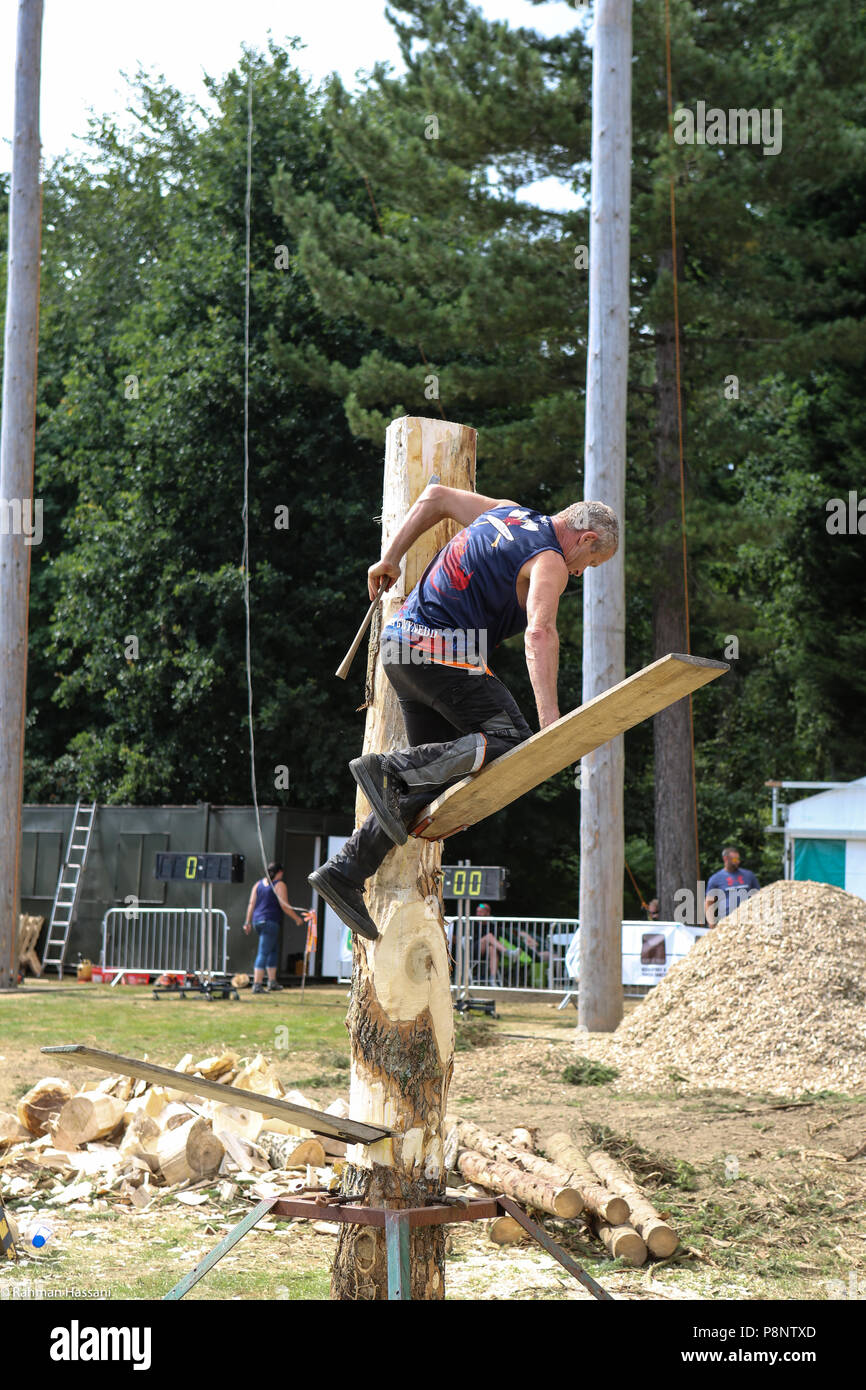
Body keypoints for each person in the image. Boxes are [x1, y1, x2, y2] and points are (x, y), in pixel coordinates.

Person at [309, 489, 619, 940]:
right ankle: (388, 768)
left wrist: (390, 559)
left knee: (427, 781)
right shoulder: (551, 560)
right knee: (512, 738)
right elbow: (540, 632)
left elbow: (434, 497)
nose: (580, 572)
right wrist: (551, 718)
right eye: (589, 563)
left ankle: (345, 871)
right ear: (585, 538)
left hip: (400, 648)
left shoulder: (508, 513)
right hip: (444, 655)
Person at [243, 862, 305, 993]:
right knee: (264, 952)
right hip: (270, 922)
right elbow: (284, 906)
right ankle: (257, 984)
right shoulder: (279, 884)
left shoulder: (257, 884)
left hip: (257, 922)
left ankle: (272, 982)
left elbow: (251, 904)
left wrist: (247, 922)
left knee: (273, 951)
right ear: (280, 872)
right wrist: (297, 918)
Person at [704, 847, 760, 927]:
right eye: (734, 860)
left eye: (738, 859)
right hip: (726, 922)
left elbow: (758, 895)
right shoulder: (715, 879)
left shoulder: (749, 875)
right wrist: (711, 923)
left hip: (748, 921)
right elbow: (709, 902)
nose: (738, 862)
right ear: (725, 859)